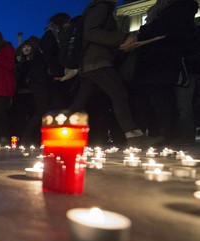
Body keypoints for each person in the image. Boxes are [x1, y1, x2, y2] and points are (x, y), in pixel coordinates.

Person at [70, 0, 162, 147]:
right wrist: (123, 37)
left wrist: (120, 46)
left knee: (80, 102)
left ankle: (58, 132)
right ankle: (133, 135)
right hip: (97, 62)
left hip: (92, 62)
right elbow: (91, 33)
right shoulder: (101, 7)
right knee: (119, 94)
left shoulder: (100, 7)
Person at [133, 0, 200, 144]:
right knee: (166, 101)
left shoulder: (176, 11)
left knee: (172, 102)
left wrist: (143, 33)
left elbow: (164, 30)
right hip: (162, 62)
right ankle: (167, 134)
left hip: (164, 62)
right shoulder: (174, 12)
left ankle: (169, 135)